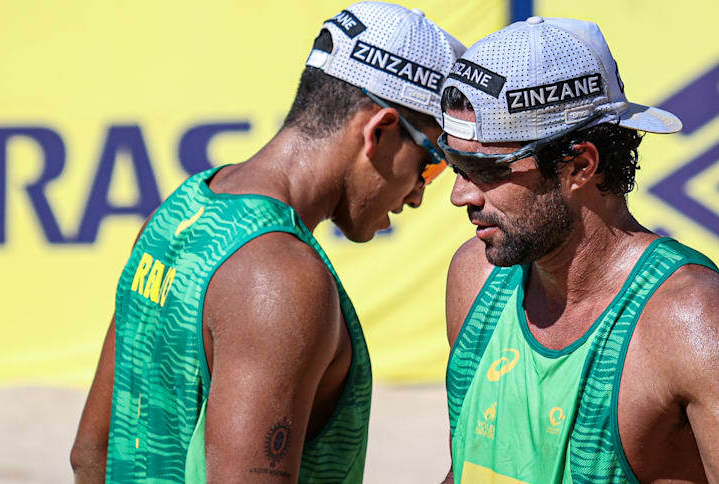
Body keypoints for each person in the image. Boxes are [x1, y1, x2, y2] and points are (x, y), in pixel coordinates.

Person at [70, 3, 465, 482]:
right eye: (432, 164)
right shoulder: (280, 279)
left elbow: (90, 453)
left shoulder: (175, 214)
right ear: (378, 132)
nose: (420, 195)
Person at [439, 16, 719, 484]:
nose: (460, 195)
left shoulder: (691, 320)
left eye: (485, 169)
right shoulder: (475, 277)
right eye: (454, 165)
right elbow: (465, 468)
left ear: (580, 166)